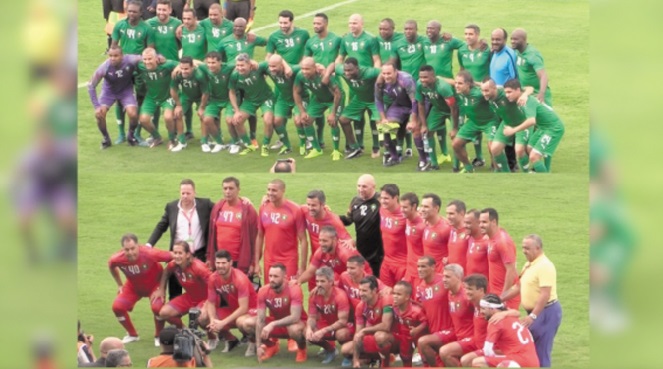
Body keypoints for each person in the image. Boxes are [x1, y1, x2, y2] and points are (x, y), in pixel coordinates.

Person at [498, 234, 561, 367]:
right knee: (530, 349)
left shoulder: (545, 266)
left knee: (541, 351)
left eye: (527, 248)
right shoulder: (529, 265)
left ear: (537, 248)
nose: (523, 251)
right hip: (537, 312)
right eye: (522, 247)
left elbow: (545, 294)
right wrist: (499, 299)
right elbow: (518, 287)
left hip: (545, 312)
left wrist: (533, 316)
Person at [147, 179, 214, 299]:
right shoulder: (171, 207)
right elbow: (161, 226)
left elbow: (222, 208)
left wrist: (242, 201)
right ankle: (175, 315)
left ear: (195, 192)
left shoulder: (205, 205)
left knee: (202, 290)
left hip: (199, 254)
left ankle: (199, 316)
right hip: (177, 255)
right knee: (174, 291)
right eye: (183, 193)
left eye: (188, 193)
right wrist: (148, 245)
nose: (185, 196)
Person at [108, 233, 173, 346]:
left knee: (157, 308)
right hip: (133, 287)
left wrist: (162, 287)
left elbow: (173, 257)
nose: (130, 252)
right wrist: (119, 284)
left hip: (154, 286)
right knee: (117, 307)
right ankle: (132, 335)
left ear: (138, 246)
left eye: (133, 248)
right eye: (127, 250)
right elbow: (111, 266)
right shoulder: (116, 259)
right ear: (123, 249)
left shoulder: (150, 253)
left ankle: (158, 336)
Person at [242, 263, 308, 363]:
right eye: (270, 276)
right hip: (277, 325)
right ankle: (271, 346)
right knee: (247, 323)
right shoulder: (263, 291)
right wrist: (259, 345)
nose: (272, 279)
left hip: (296, 324)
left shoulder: (294, 289)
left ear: (285, 277)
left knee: (294, 329)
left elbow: (295, 317)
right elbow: (260, 319)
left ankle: (302, 349)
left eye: (276, 276)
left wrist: (273, 324)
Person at [336, 14, 381, 156]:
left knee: (374, 118)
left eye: (355, 23)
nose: (351, 25)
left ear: (362, 23)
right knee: (356, 116)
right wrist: (333, 70)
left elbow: (377, 60)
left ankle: (376, 146)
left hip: (368, 80)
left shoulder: (370, 39)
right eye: (350, 23)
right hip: (353, 83)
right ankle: (357, 145)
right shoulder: (346, 39)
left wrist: (377, 78)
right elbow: (340, 57)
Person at [110, 0, 154, 144]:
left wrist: (143, 62)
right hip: (123, 69)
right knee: (120, 100)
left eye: (134, 12)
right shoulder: (120, 25)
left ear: (141, 13)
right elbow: (114, 47)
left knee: (141, 98)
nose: (131, 14)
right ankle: (121, 134)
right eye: (129, 11)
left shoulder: (147, 28)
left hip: (140, 69)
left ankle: (136, 133)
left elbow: (150, 50)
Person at [200, 250, 258, 354]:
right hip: (231, 309)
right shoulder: (213, 278)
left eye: (223, 263)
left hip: (250, 310)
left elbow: (244, 308)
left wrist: (223, 323)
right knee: (203, 317)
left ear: (230, 263)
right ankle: (231, 339)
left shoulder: (240, 279)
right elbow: (211, 302)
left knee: (242, 322)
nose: (220, 266)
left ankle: (253, 342)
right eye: (218, 263)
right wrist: (213, 320)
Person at [502, 78, 565, 173]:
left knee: (534, 156)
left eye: (509, 92)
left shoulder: (526, 101)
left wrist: (513, 130)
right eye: (505, 92)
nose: (507, 95)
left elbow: (531, 121)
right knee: (529, 148)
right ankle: (541, 171)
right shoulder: (523, 96)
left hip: (553, 128)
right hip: (543, 127)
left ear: (518, 90)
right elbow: (529, 88)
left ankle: (546, 182)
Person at [87, 46, 143, 148]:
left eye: (116, 56)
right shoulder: (104, 67)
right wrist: (97, 106)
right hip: (109, 92)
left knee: (133, 113)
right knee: (99, 114)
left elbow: (146, 56)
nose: (112, 58)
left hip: (126, 91)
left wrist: (159, 57)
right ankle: (106, 139)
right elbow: (91, 86)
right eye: (110, 56)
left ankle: (130, 135)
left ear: (122, 56)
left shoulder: (130, 59)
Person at [253, 179, 308, 280]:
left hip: (288, 260)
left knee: (289, 290)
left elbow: (303, 240)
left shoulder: (295, 210)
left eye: (274, 190)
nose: (270, 193)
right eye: (268, 189)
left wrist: (302, 267)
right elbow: (260, 236)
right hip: (269, 260)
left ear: (283, 191)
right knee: (270, 291)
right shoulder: (264, 208)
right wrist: (256, 263)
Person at [327, 57, 381, 158]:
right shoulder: (341, 70)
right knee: (343, 119)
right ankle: (355, 148)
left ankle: (390, 150)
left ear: (357, 68)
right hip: (359, 99)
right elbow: (333, 65)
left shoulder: (369, 72)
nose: (347, 73)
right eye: (345, 70)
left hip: (374, 100)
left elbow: (383, 72)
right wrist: (326, 75)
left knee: (381, 123)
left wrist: (380, 84)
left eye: (350, 70)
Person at [294, 57, 345, 160]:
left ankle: (336, 150)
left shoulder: (324, 75)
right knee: (306, 120)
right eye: (303, 68)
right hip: (318, 99)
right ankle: (317, 149)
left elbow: (337, 94)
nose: (304, 71)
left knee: (333, 121)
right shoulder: (300, 76)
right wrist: (302, 111)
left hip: (334, 99)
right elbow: (296, 92)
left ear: (314, 68)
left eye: (307, 69)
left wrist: (333, 113)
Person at [155, 241, 213, 328]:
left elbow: (215, 285)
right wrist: (161, 289)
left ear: (188, 254)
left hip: (206, 298)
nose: (177, 256)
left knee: (201, 318)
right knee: (164, 313)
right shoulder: (173, 264)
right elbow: (166, 272)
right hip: (190, 297)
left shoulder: (199, 268)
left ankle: (214, 337)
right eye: (175, 253)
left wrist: (208, 303)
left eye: (180, 253)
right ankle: (186, 332)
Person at [471, 294, 539, 368]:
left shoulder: (495, 321)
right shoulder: (512, 316)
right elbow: (517, 313)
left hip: (519, 361)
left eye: (483, 308)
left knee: (477, 362)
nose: (481, 312)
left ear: (492, 309)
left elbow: (487, 350)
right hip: (534, 361)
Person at [340, 276, 394, 368]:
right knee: (345, 349)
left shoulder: (386, 300)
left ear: (374, 290)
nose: (361, 294)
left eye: (364, 291)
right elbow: (358, 334)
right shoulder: (360, 307)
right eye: (360, 290)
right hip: (375, 337)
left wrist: (365, 331)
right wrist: (355, 359)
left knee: (380, 336)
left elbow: (386, 326)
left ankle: (386, 361)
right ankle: (374, 358)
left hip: (393, 337)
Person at [458, 24, 492, 168]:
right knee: (473, 121)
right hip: (468, 93)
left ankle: (495, 161)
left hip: (483, 92)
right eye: (465, 34)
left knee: (489, 123)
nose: (467, 37)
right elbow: (462, 69)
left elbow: (492, 68)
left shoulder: (486, 50)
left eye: (471, 34)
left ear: (477, 35)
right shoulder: (461, 51)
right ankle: (479, 157)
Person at [207, 176, 257, 274]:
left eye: (231, 188)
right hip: (220, 261)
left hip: (239, 262)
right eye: (225, 188)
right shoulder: (218, 207)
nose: (228, 191)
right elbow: (211, 235)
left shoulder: (247, 210)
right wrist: (209, 257)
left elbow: (255, 239)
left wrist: (253, 262)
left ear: (238, 190)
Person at [480, 78, 533, 173]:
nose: (484, 93)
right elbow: (478, 84)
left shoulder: (505, 92)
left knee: (519, 150)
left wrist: (524, 95)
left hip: (522, 123)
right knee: (495, 149)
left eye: (486, 90)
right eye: (482, 90)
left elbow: (530, 88)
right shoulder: (489, 95)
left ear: (494, 88)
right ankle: (506, 173)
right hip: (507, 123)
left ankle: (526, 174)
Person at [227, 53, 275, 155]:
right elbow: (231, 92)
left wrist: (256, 62)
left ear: (249, 64)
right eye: (238, 65)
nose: (239, 68)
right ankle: (249, 145)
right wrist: (237, 111)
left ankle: (265, 145)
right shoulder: (235, 75)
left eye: (242, 65)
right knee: (236, 121)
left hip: (265, 98)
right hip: (250, 101)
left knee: (268, 120)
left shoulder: (258, 68)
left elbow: (269, 63)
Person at [452, 71, 498, 173]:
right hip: (473, 122)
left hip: (489, 122)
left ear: (468, 84)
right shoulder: (460, 93)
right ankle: (469, 169)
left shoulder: (479, 93)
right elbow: (450, 82)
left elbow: (495, 91)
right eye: (456, 83)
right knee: (456, 144)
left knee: (492, 147)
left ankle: (497, 171)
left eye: (460, 83)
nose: (456, 86)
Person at [306, 266, 353, 364]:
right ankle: (331, 351)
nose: (318, 284)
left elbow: (342, 321)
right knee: (307, 333)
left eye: (322, 281)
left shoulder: (340, 296)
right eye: (317, 281)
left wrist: (323, 331)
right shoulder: (314, 295)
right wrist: (309, 329)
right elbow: (312, 317)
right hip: (329, 326)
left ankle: (348, 355)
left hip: (344, 327)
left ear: (331, 282)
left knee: (341, 334)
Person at [415, 65, 459, 171]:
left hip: (453, 110)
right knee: (428, 132)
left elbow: (454, 107)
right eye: (421, 77)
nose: (422, 80)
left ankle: (456, 165)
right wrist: (424, 125)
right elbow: (420, 104)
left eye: (425, 77)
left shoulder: (443, 87)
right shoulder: (419, 85)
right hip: (438, 109)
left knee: (456, 137)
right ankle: (434, 163)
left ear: (433, 76)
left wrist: (455, 128)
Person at [440, 273, 489, 367]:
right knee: (445, 352)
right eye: (465, 288)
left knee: (465, 360)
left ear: (481, 290)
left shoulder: (488, 306)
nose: (466, 292)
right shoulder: (475, 303)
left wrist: (509, 313)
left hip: (487, 347)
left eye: (470, 289)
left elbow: (508, 314)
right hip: (475, 341)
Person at [295, 226, 369, 287]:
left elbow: (358, 273)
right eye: (320, 240)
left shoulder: (344, 253)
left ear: (334, 240)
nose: (321, 244)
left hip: (362, 278)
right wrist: (297, 282)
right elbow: (310, 272)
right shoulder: (321, 252)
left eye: (325, 241)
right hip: (348, 278)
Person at [135, 47, 179, 148]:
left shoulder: (166, 65)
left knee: (168, 117)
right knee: (143, 119)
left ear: (156, 58)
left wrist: (175, 70)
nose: (147, 62)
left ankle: (172, 139)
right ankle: (157, 138)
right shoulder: (140, 66)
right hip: (151, 97)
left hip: (167, 97)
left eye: (150, 59)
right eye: (145, 59)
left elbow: (182, 65)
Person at [374, 63, 418, 166]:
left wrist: (413, 120)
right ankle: (394, 157)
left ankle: (425, 158)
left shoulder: (406, 80)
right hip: (399, 106)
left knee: (420, 129)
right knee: (386, 128)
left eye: (389, 73)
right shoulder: (379, 83)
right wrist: (383, 118)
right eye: (384, 73)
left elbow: (414, 100)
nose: (386, 76)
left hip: (415, 105)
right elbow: (378, 101)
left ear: (396, 72)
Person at [340, 174, 384, 277]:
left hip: (379, 254)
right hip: (361, 252)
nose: (360, 189)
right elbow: (348, 220)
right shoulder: (355, 201)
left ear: (373, 187)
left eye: (364, 186)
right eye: (358, 186)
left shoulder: (381, 201)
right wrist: (330, 216)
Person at [479, 208, 520, 309]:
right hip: (496, 294)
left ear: (493, 222)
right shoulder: (492, 237)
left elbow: (511, 271)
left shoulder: (502, 242)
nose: (480, 225)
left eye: (484, 222)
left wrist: (502, 298)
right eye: (479, 222)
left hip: (505, 298)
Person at [415, 256, 451, 367]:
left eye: (423, 266)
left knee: (424, 342)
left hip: (449, 330)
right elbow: (422, 310)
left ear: (433, 267)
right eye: (418, 266)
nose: (419, 269)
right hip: (433, 331)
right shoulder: (420, 287)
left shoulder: (444, 282)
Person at [197, 51, 235, 152]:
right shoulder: (205, 68)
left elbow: (243, 62)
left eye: (213, 63)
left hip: (228, 99)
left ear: (220, 62)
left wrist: (253, 62)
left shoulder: (228, 67)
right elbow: (192, 62)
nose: (210, 65)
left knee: (230, 120)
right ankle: (219, 143)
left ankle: (235, 142)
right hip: (214, 100)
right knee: (207, 119)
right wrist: (178, 67)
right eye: (208, 62)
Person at [169, 56, 207, 152]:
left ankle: (204, 142)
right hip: (186, 96)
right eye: (182, 68)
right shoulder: (177, 74)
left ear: (192, 67)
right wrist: (178, 105)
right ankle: (182, 142)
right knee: (177, 114)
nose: (184, 71)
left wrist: (202, 107)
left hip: (200, 97)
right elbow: (173, 90)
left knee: (204, 116)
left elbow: (205, 93)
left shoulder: (199, 75)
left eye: (186, 69)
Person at [439, 264, 475, 363]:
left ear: (459, 278)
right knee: (428, 341)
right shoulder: (450, 293)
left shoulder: (467, 296)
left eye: (448, 277)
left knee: (445, 352)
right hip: (458, 335)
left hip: (472, 338)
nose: (444, 280)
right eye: (443, 276)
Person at [302, 190, 354, 258]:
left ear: (323, 205)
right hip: (315, 260)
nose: (310, 208)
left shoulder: (333, 221)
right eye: (308, 204)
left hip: (329, 263)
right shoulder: (305, 210)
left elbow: (349, 242)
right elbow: (293, 209)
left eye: (313, 205)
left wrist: (351, 242)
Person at [264, 55, 297, 156]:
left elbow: (309, 67)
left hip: (298, 98)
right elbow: (254, 64)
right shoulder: (268, 69)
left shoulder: (294, 69)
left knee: (300, 120)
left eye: (274, 66)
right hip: (283, 98)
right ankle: (286, 145)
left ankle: (307, 143)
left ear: (281, 65)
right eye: (270, 66)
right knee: (276, 121)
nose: (271, 69)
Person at [391, 281, 428, 367]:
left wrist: (417, 330)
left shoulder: (416, 311)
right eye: (394, 293)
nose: (395, 296)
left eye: (399, 294)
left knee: (425, 358)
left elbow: (426, 322)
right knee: (405, 357)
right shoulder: (394, 307)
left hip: (419, 336)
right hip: (405, 337)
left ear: (407, 297)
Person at [511, 28, 552, 106]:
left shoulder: (532, 55)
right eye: (511, 39)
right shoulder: (517, 51)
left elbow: (543, 75)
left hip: (538, 95)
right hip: (527, 93)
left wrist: (541, 93)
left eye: (515, 39)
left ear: (524, 40)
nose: (512, 41)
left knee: (544, 117)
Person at [378, 184, 407, 286]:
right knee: (385, 294)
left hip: (402, 265)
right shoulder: (382, 209)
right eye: (381, 198)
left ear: (396, 198)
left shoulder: (405, 215)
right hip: (386, 262)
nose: (382, 201)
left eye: (386, 198)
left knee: (402, 296)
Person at [147, 325, 213, 367]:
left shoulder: (151, 362)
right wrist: (205, 355)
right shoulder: (187, 362)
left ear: (160, 342)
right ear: (178, 342)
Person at [420, 193, 451, 272]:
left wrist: (448, 258)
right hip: (428, 273)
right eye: (422, 206)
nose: (422, 209)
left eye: (426, 207)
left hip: (439, 274)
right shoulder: (426, 223)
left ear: (436, 208)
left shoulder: (445, 228)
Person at [401, 192, 425, 287]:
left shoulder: (423, 226)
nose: (402, 210)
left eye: (405, 207)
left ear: (414, 206)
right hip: (409, 270)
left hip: (419, 273)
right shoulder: (407, 219)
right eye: (401, 207)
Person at [464, 209, 489, 277]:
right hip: (470, 284)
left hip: (482, 286)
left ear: (479, 223)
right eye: (464, 222)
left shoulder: (487, 242)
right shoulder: (470, 238)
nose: (465, 226)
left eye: (468, 223)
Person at [446, 200, 469, 270]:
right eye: (447, 213)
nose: (448, 217)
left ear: (462, 214)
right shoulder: (452, 230)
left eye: (451, 214)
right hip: (453, 276)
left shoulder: (469, 232)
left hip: (465, 277)